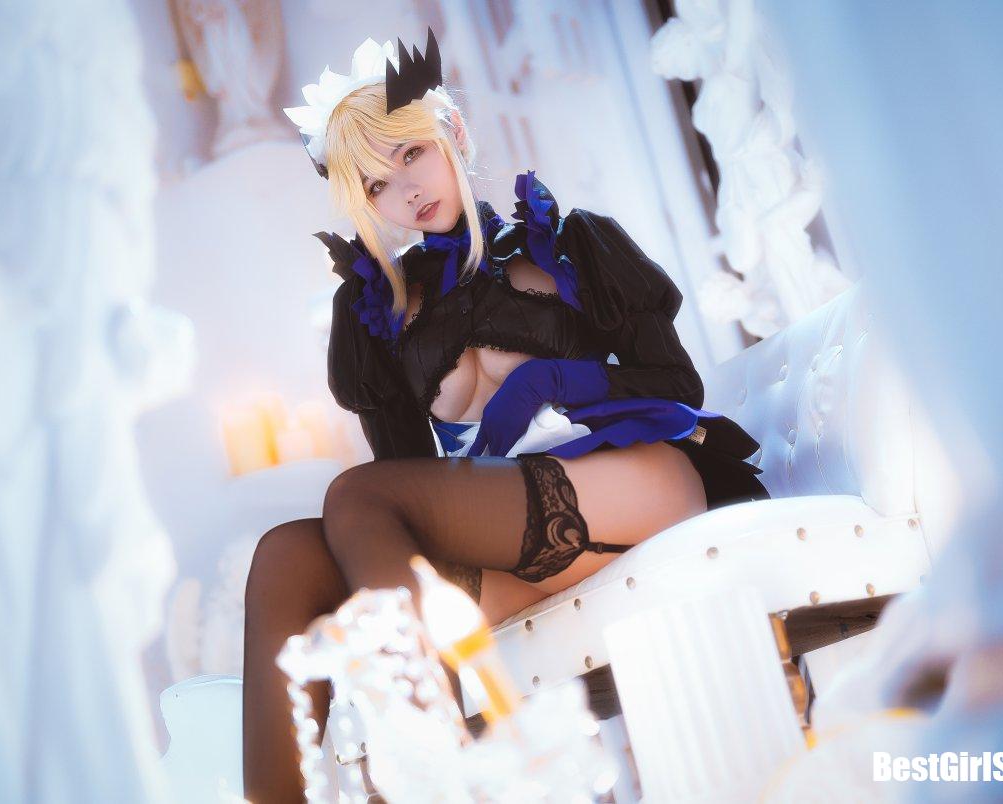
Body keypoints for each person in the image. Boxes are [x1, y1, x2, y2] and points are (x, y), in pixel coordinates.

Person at [244, 29, 770, 801]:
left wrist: (546, 380)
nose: (405, 189)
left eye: (410, 153)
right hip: (520, 532)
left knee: (354, 494)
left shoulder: (565, 243)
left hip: (635, 483)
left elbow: (674, 384)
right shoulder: (379, 315)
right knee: (287, 555)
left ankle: (433, 766)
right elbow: (404, 481)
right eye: (377, 185)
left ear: (452, 131)